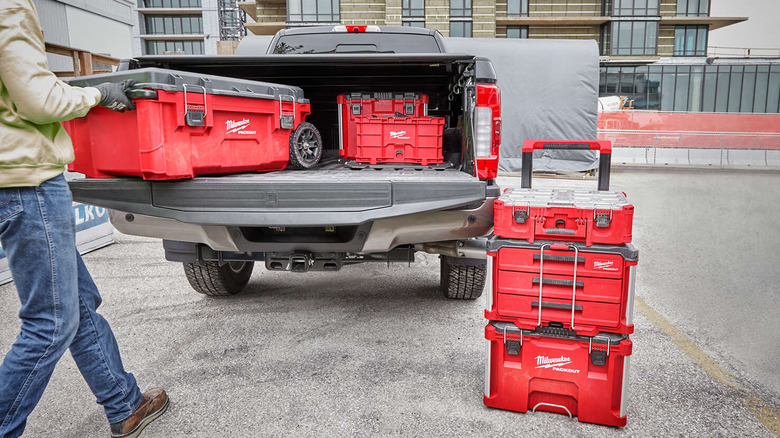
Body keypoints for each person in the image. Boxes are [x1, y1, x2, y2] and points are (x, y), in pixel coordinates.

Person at [0, 1, 168, 437]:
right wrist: (97, 94)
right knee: (51, 321)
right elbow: (38, 100)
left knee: (76, 300)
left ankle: (124, 402)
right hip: (26, 179)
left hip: (11, 179)